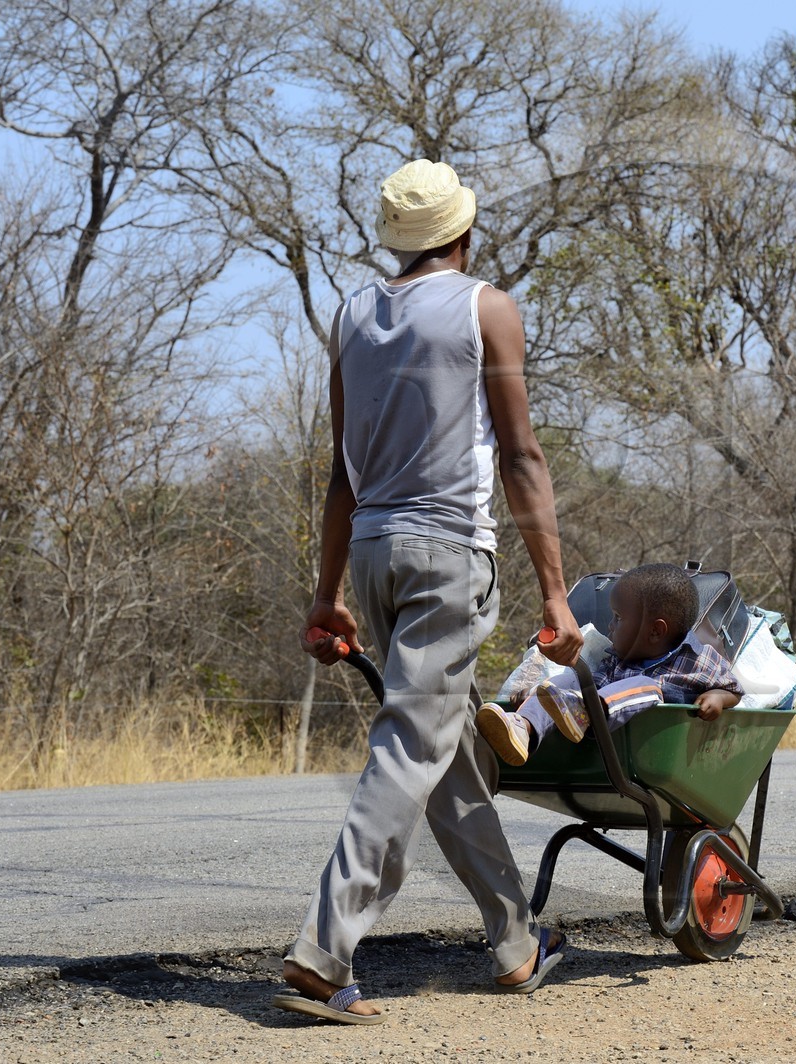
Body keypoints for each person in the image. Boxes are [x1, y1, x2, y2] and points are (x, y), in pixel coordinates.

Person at [271, 159, 583, 1025]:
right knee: (412, 746)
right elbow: (520, 456)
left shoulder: (351, 316)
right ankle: (324, 952)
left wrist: (327, 593)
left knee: (440, 752)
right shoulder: (487, 307)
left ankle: (518, 941)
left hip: (371, 550)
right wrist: (556, 595)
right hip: (447, 553)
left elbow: (341, 473)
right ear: (465, 233)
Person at [477, 563, 743, 765]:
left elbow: (733, 689)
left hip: (642, 744)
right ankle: (523, 727)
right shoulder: (617, 657)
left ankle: (584, 711)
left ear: (655, 631)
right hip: (594, 731)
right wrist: (539, 694)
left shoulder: (696, 658)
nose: (610, 626)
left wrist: (717, 697)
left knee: (647, 685)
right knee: (573, 676)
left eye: (617, 618)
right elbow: (591, 683)